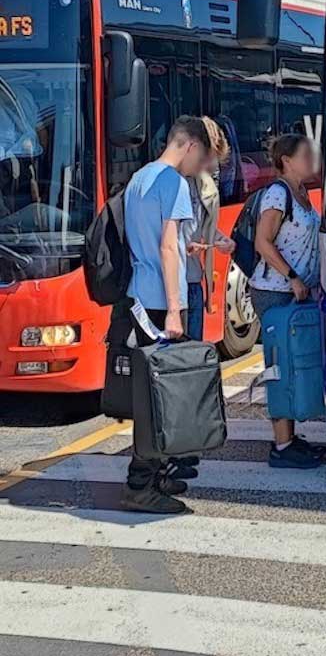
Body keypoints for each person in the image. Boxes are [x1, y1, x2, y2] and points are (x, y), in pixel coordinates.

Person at [121, 115, 211, 515]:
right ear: (189, 145)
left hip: (139, 296)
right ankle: (141, 485)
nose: (200, 168)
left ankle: (153, 476)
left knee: (151, 394)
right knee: (162, 399)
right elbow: (167, 248)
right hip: (161, 301)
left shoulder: (139, 178)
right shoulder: (173, 182)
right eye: (202, 157)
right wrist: (175, 309)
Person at [249, 133, 326, 470]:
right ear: (286, 160)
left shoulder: (303, 193)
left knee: (296, 363)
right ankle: (281, 446)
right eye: (305, 154)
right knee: (279, 365)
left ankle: (290, 438)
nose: (311, 159)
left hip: (296, 291)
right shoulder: (278, 194)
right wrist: (292, 276)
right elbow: (262, 243)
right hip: (275, 292)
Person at [184, 117, 236, 342]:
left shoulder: (204, 184)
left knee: (191, 363)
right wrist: (179, 247)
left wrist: (222, 241)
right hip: (169, 288)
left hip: (194, 283)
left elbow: (204, 228)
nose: (208, 169)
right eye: (206, 161)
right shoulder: (163, 182)